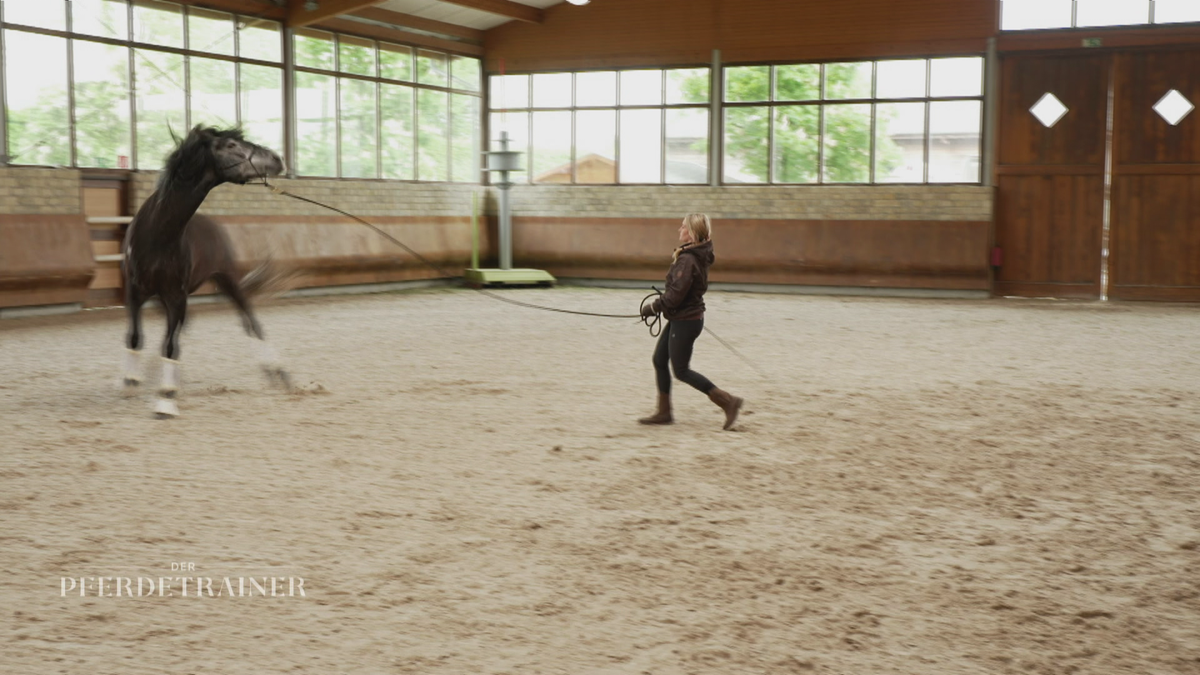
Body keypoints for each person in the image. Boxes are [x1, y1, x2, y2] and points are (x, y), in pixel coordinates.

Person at [638, 213, 743, 430]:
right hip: (682, 318)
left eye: (683, 227)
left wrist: (653, 307)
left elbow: (674, 296)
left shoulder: (687, 259)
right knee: (659, 360)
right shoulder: (696, 254)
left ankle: (727, 401)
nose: (679, 230)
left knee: (681, 370)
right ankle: (664, 412)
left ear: (692, 233)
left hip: (685, 321)